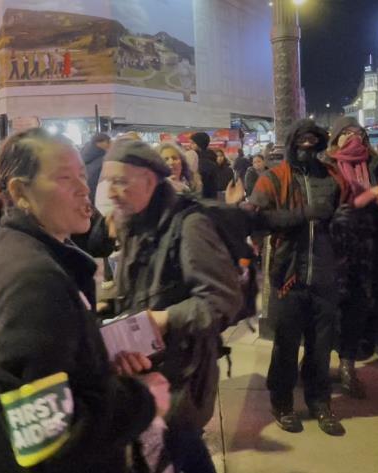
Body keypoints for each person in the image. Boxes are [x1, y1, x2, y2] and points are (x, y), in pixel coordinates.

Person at [0, 128, 166, 473]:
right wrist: (143, 400)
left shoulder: (26, 254)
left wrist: (99, 361)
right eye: (64, 177)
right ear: (20, 192)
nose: (83, 188)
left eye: (83, 176)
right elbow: (51, 436)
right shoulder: (33, 282)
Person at [105, 139, 241, 472]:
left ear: (150, 181)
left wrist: (164, 318)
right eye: (108, 182)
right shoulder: (134, 222)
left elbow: (222, 300)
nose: (111, 192)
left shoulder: (190, 225)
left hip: (182, 377)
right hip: (147, 374)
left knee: (184, 454)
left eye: (121, 181)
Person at [249, 119, 347, 436]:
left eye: (313, 140)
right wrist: (302, 215)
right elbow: (257, 221)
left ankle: (319, 402)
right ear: (292, 143)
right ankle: (282, 402)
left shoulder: (333, 178)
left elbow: (347, 211)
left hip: (325, 275)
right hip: (287, 275)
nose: (307, 145)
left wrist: (343, 220)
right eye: (301, 140)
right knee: (286, 346)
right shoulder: (273, 178)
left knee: (321, 347)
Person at [326, 117, 378, 398]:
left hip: (371, 246)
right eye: (345, 133)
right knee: (330, 305)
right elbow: (323, 206)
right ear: (336, 138)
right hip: (335, 247)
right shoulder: (326, 166)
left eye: (357, 133)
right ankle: (318, 360)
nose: (352, 138)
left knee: (369, 301)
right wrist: (363, 199)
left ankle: (356, 359)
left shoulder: (377, 165)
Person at [81, 132, 111, 202]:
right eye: (107, 142)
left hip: (85, 194)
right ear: (99, 142)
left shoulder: (84, 153)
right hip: (95, 196)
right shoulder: (103, 159)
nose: (109, 145)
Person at [191, 132, 219, 199]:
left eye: (193, 143)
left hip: (203, 199)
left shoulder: (202, 161)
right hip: (211, 197)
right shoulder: (211, 158)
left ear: (199, 144)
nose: (190, 145)